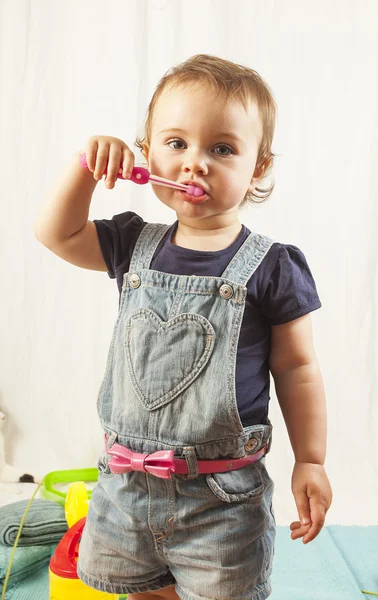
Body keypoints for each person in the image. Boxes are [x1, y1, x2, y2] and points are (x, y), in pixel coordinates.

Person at [34, 54, 332, 600]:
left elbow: (297, 368)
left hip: (222, 501)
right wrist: (86, 166)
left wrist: (310, 459)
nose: (195, 163)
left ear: (258, 166)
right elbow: (55, 232)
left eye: (221, 149)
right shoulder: (131, 244)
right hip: (125, 489)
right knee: (141, 590)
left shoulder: (272, 266)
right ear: (145, 156)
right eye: (176, 144)